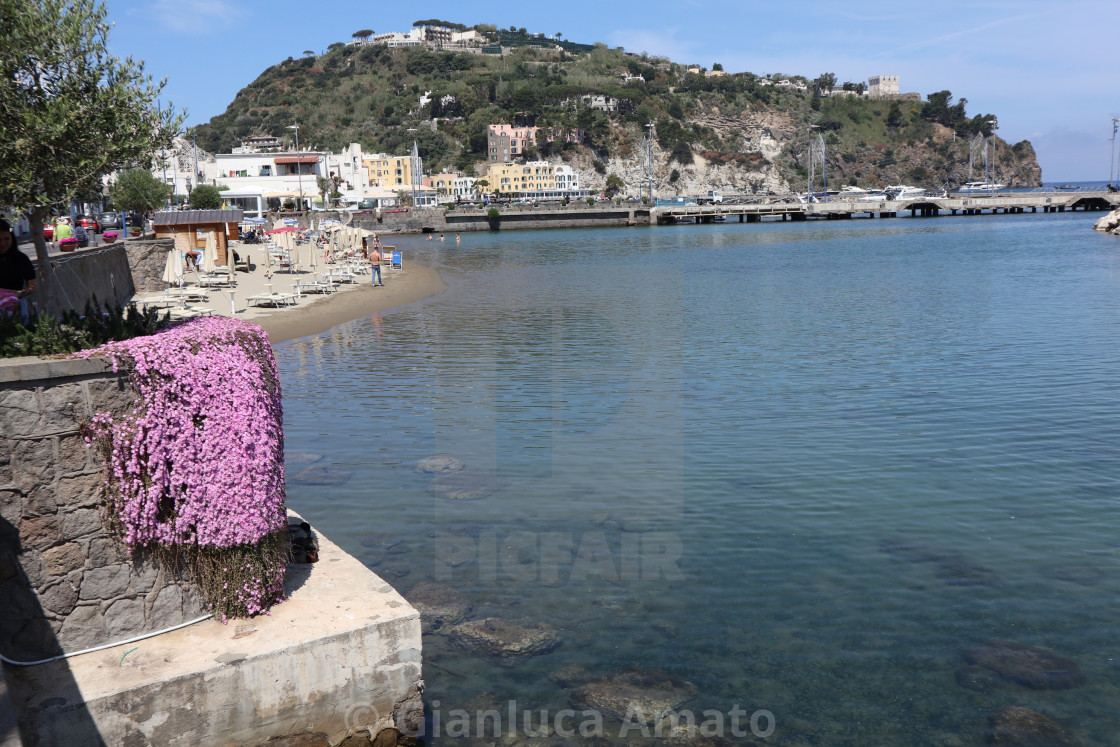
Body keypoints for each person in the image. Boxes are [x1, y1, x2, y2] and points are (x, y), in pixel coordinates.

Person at [0, 219, 37, 322]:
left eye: (6, 239)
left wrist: (19, 293)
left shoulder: (21, 259)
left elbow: (32, 286)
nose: (3, 243)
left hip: (17, 306)